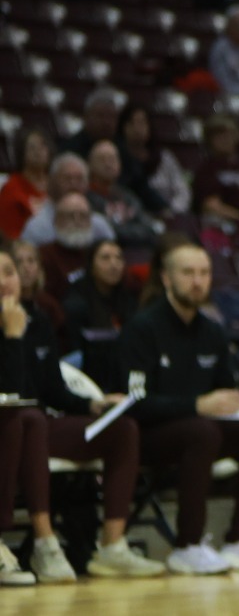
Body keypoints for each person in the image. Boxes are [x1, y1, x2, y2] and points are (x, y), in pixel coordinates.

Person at [121, 241, 239, 574]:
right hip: (149, 435)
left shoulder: (212, 331)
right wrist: (197, 404)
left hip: (203, 431)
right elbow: (136, 402)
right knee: (202, 431)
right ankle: (188, 545)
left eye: (204, 273)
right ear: (167, 279)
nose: (197, 281)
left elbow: (231, 389)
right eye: (188, 273)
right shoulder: (142, 329)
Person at [0, 248, 162, 581]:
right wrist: (12, 336)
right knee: (26, 418)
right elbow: (11, 394)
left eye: (9, 272)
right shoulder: (15, 325)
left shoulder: (39, 318)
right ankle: (44, 543)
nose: (6, 281)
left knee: (123, 429)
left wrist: (95, 405)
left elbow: (53, 390)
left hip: (40, 427)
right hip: (10, 426)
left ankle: (112, 546)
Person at [63, 238, 139, 335]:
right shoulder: (77, 304)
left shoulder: (129, 297)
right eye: (105, 258)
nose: (114, 265)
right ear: (91, 265)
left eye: (119, 258)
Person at [0, 127, 53, 240]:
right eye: (32, 147)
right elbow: (8, 232)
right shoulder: (11, 187)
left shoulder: (57, 183)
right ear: (22, 152)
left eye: (42, 145)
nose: (38, 151)